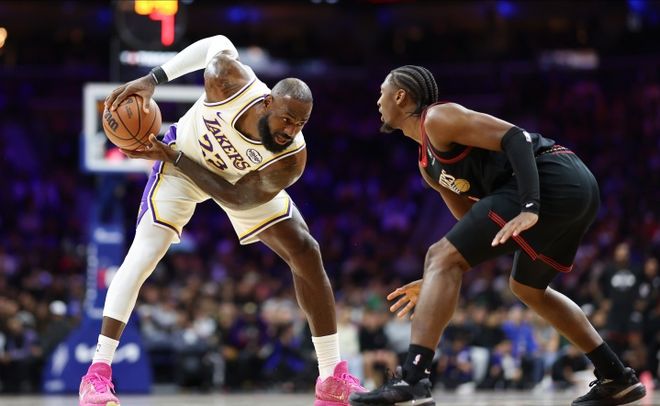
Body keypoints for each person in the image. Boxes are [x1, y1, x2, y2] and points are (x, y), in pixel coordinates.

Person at [79, 35, 364, 406]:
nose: (291, 130)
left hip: (231, 180)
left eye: (300, 124)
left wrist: (175, 159)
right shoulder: (228, 79)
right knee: (144, 254)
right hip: (180, 163)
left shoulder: (290, 158)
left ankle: (330, 378)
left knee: (306, 250)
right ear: (268, 101)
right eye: (287, 119)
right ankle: (97, 375)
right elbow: (216, 42)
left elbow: (237, 198)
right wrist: (152, 79)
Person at [349, 65, 647, 406]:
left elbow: (516, 137)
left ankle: (413, 381)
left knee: (440, 256)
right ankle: (616, 376)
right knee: (526, 288)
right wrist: (436, 277)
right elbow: (469, 228)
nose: (378, 101)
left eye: (382, 93)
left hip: (553, 177)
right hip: (573, 193)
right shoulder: (428, 167)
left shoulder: (439, 118)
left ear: (400, 96)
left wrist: (531, 205)